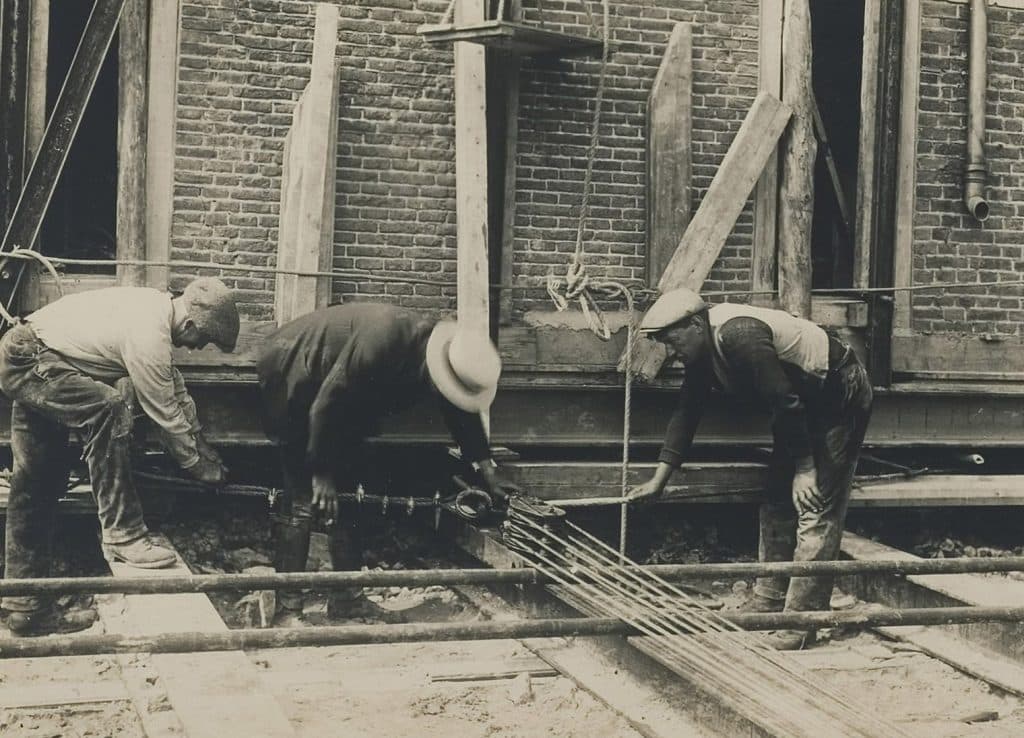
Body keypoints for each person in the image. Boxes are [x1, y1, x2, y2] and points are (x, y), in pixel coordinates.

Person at [628, 288, 873, 650]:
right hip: (802, 406)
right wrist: (658, 481)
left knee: (814, 505)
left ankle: (802, 623)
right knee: (776, 499)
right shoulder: (702, 350)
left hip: (838, 394)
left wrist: (805, 468)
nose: (670, 351)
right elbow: (687, 413)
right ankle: (770, 599)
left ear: (695, 324)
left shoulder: (739, 335)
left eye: (671, 340)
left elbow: (784, 401)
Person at [0, 278, 239, 636]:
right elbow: (164, 414)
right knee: (110, 408)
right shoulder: (150, 334)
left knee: (35, 485)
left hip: (33, 356)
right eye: (200, 340)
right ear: (189, 324)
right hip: (31, 359)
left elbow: (176, 392)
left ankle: (25, 609)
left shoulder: (156, 313)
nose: (195, 348)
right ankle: (123, 536)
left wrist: (203, 445)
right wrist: (196, 465)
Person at [255, 302, 518, 620]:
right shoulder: (383, 343)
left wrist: (488, 469)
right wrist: (321, 473)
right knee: (302, 499)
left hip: (337, 397)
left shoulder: (446, 356)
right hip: (294, 371)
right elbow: (325, 405)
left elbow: (461, 412)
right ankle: (287, 611)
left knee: (350, 497)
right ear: (436, 370)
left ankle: (347, 599)